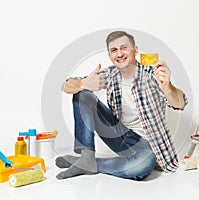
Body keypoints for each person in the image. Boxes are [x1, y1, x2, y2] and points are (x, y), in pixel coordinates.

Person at [56, 31, 187, 180]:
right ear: (109, 55)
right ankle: (86, 157)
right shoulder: (111, 75)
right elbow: (66, 86)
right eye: (114, 50)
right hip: (120, 137)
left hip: (147, 146)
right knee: (82, 94)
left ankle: (89, 164)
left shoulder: (152, 74)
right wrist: (83, 83)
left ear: (135, 50)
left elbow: (180, 103)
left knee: (141, 166)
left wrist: (167, 87)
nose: (119, 54)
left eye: (124, 48)